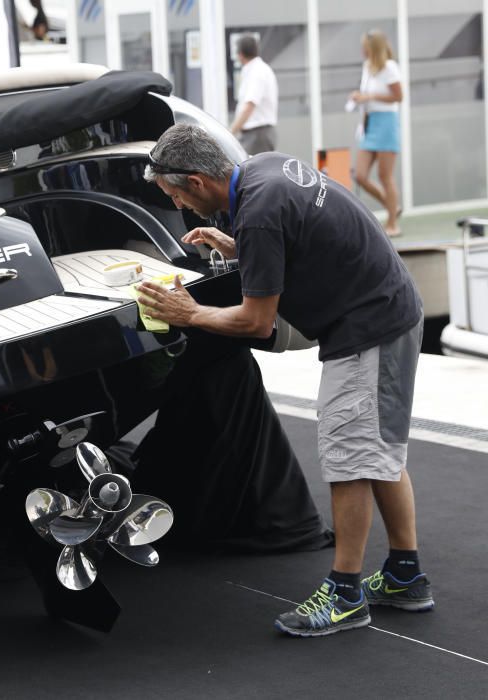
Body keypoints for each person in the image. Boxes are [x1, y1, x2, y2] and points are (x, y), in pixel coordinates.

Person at [138, 124, 433, 637]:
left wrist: (189, 313)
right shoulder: (264, 170)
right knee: (379, 453)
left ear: (197, 180)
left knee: (350, 459)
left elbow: (256, 323)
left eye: (177, 194)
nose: (182, 207)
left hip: (369, 328)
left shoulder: (258, 211)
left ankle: (345, 594)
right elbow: (299, 239)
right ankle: (406, 576)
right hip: (390, 310)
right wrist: (238, 248)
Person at [350, 29, 403, 236]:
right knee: (360, 175)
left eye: (366, 46)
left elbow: (398, 97)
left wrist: (369, 96)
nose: (363, 50)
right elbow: (367, 95)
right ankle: (392, 206)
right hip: (369, 122)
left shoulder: (389, 67)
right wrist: (361, 97)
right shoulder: (367, 67)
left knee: (385, 175)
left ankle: (393, 223)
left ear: (374, 48)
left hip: (386, 122)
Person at [228, 34, 278, 155]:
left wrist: (231, 132)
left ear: (240, 54)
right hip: (255, 135)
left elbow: (249, 107)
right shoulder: (256, 70)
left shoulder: (257, 72)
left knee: (253, 171)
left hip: (257, 135)